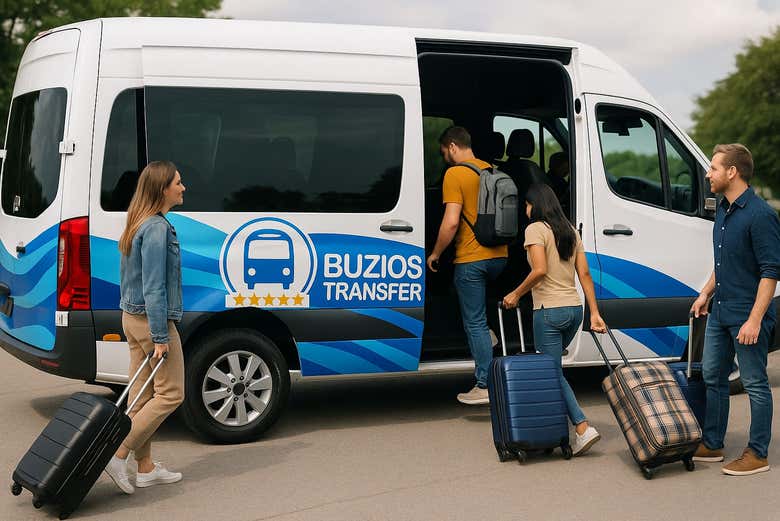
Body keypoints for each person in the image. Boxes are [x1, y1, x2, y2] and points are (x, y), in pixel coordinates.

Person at [691, 144, 780, 476]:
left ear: (732, 172)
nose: (707, 174)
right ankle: (713, 443)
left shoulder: (761, 215)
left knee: (755, 383)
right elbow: (723, 263)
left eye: (713, 168)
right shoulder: (723, 210)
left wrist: (755, 320)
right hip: (720, 310)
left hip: (747, 314)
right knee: (713, 376)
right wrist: (705, 293)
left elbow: (771, 272)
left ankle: (757, 453)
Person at [502, 183, 607, 456]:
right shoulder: (570, 230)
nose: (525, 210)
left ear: (535, 205)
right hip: (574, 310)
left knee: (551, 372)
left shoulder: (535, 229)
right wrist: (594, 313)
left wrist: (516, 294)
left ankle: (582, 427)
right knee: (553, 369)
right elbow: (585, 274)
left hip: (549, 311)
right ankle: (554, 427)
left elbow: (539, 270)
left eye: (527, 205)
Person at [104, 161, 187, 493]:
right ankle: (118, 454)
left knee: (141, 397)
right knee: (171, 393)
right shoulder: (156, 228)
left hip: (132, 318)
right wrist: (160, 335)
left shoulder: (138, 221)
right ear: (162, 189)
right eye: (178, 183)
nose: (183, 187)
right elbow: (154, 287)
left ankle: (146, 467)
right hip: (151, 322)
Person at [426, 126, 508, 405]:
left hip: (472, 259)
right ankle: (488, 338)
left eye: (443, 152)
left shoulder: (455, 174)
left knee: (474, 321)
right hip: (500, 257)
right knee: (472, 306)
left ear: (452, 146)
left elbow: (451, 222)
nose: (444, 158)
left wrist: (436, 253)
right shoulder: (491, 170)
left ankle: (485, 383)